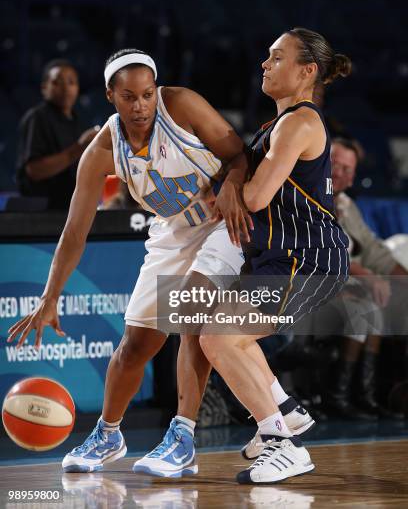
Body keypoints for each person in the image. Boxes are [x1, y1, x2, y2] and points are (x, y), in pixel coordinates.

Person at [8, 49, 314, 480]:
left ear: (157, 91)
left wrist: (229, 182)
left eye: (147, 94)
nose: (140, 105)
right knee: (135, 345)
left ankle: (183, 435)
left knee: (189, 306)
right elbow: (75, 231)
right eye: (129, 96)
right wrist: (49, 296)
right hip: (171, 232)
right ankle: (109, 433)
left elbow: (240, 154)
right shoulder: (100, 150)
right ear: (111, 96)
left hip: (223, 226)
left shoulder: (182, 104)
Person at [199, 28, 351, 484]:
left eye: (277, 57)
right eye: (266, 56)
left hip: (306, 259)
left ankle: (284, 444)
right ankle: (286, 412)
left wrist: (226, 192)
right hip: (278, 259)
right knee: (225, 333)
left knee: (219, 336)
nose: (265, 64)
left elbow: (259, 196)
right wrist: (226, 189)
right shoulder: (275, 126)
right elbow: (241, 187)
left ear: (307, 72)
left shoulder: (301, 122)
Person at [323, 138, 408, 419]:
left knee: (384, 303)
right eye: (334, 164)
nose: (339, 173)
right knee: (366, 308)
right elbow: (320, 255)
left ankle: (369, 394)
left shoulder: (346, 204)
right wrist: (366, 276)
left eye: (347, 169)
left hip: (347, 286)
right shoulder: (308, 199)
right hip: (310, 286)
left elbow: (374, 251)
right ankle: (339, 396)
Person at [16, 59, 100, 209]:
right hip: (41, 211)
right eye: (57, 82)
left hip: (71, 207)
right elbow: (34, 171)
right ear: (44, 88)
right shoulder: (37, 117)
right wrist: (79, 148)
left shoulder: (78, 121)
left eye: (71, 82)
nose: (65, 88)